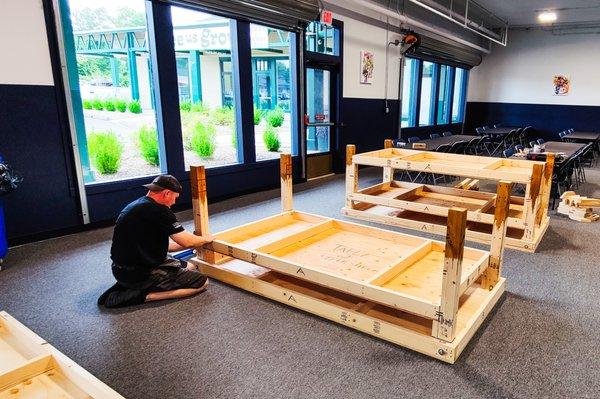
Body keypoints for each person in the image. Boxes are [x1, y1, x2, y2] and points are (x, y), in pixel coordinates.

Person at [98, 174, 213, 308]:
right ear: (167, 193)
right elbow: (187, 242)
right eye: (175, 198)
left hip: (121, 270)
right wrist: (205, 240)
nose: (174, 202)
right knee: (202, 282)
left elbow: (168, 247)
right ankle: (142, 296)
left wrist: (195, 242)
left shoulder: (136, 205)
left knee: (190, 266)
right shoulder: (159, 211)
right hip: (142, 272)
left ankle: (126, 285)